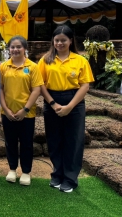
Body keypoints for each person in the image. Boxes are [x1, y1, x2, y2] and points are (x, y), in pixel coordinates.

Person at [38, 25, 94, 193]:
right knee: (54, 140)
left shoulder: (80, 60)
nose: (60, 43)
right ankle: (57, 174)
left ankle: (70, 178)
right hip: (51, 101)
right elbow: (40, 84)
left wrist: (70, 106)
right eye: (57, 40)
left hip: (74, 102)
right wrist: (53, 103)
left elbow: (85, 86)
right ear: (53, 42)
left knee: (73, 141)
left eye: (63, 40)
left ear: (71, 41)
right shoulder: (45, 60)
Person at [0, 35, 43, 186]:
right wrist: (5, 108)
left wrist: (25, 109)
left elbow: (36, 90)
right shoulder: (4, 67)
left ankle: (26, 172)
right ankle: (12, 169)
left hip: (27, 114)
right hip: (8, 113)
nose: (15, 49)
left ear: (25, 49)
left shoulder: (33, 67)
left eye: (19, 47)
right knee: (10, 142)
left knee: (26, 143)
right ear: (9, 49)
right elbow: (0, 89)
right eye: (12, 47)